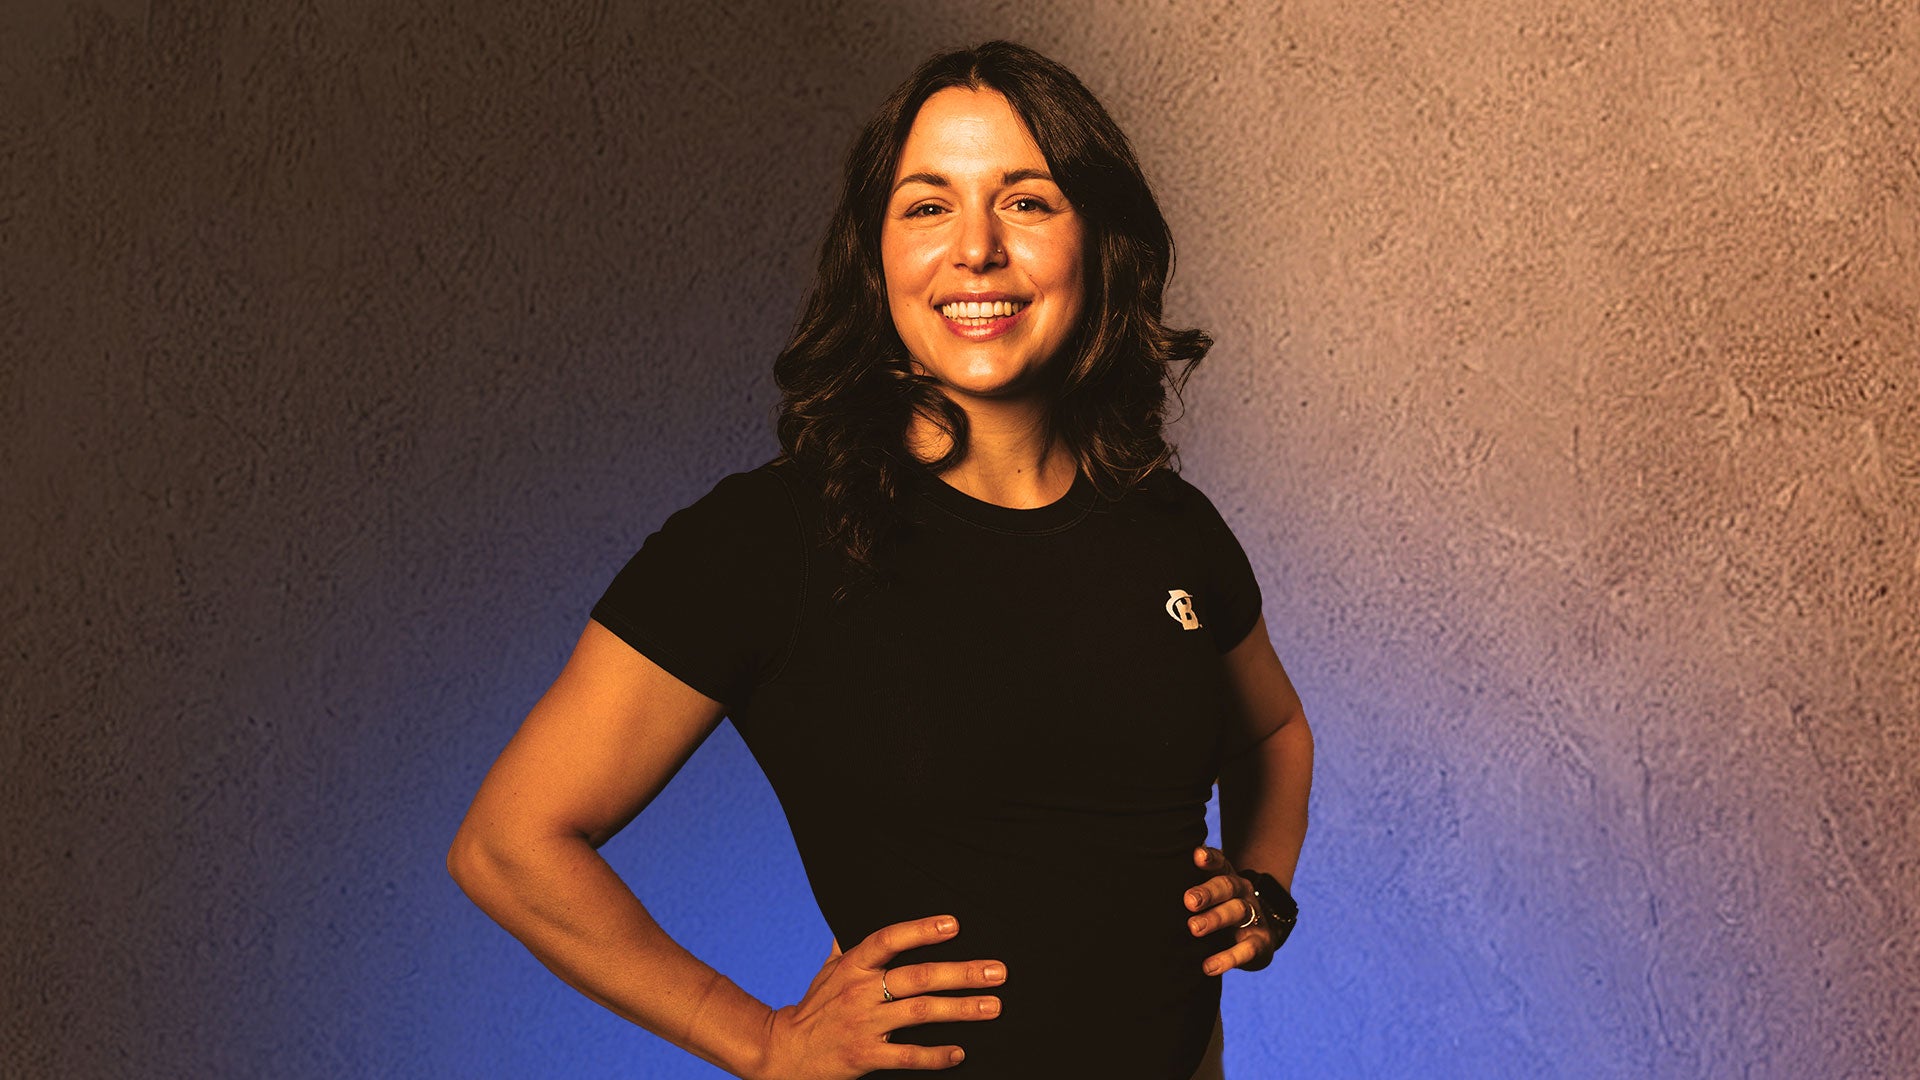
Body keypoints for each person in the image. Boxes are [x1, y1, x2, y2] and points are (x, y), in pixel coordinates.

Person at [448, 40, 1313, 1079]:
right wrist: (762, 1040)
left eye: (1027, 201)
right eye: (928, 205)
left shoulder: (1172, 528)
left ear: (1097, 240)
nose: (977, 250)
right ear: (877, 255)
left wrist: (1262, 889)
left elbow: (1273, 729)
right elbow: (510, 844)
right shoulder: (771, 541)